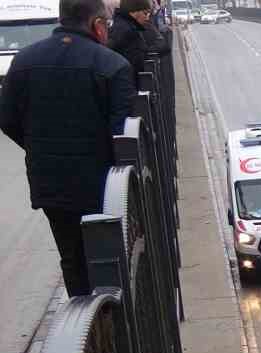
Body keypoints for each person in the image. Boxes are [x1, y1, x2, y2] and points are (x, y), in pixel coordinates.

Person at [0, 0, 134, 299]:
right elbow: (121, 134)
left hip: (51, 182)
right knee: (110, 259)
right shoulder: (112, 65)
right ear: (97, 25)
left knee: (72, 259)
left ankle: (84, 319)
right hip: (102, 184)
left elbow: (7, 120)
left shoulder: (23, 60)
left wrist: (38, 146)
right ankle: (116, 324)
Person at [108, 0, 154, 72]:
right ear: (133, 12)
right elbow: (136, 62)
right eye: (145, 13)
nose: (147, 18)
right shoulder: (128, 30)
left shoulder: (124, 26)